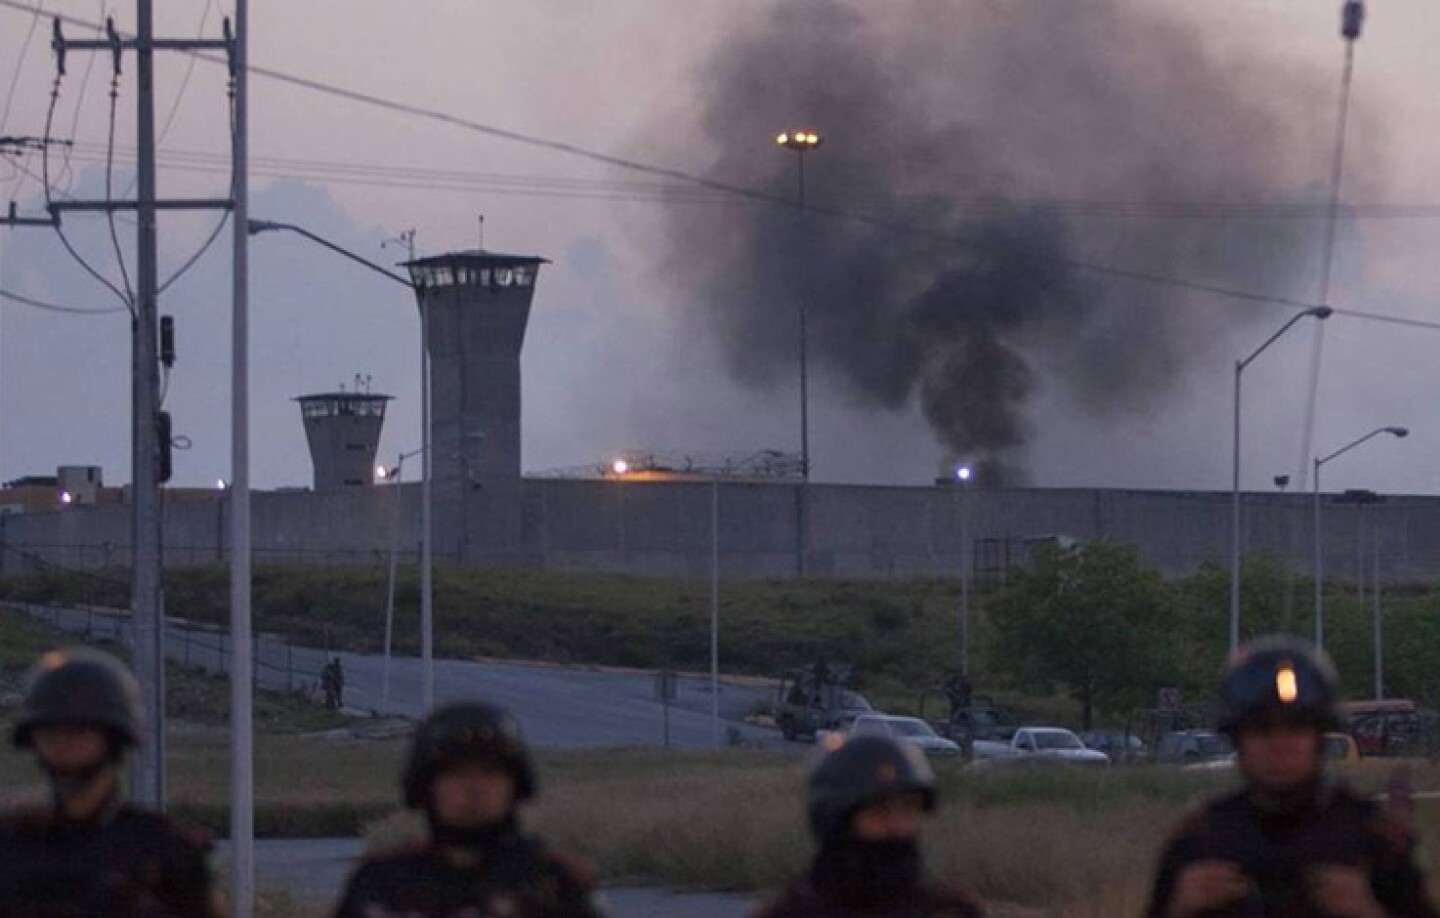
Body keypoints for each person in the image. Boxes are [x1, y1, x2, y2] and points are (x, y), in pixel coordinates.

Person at [1146, 636, 1438, 918]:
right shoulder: (1201, 840)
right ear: (1238, 738)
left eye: (1296, 728)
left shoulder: (1372, 840)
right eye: (1262, 730)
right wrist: (1180, 908)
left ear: (1320, 736)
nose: (1280, 746)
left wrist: (1367, 910)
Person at [0, 647, 221, 917]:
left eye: (78, 729)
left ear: (113, 737)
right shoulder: (13, 846)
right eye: (49, 729)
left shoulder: (165, 854)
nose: (61, 742)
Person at [333, 700, 607, 917]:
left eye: (490, 773)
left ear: (515, 784)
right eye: (454, 774)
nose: (473, 788)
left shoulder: (554, 884)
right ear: (425, 785)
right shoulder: (381, 885)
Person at [752, 734, 984, 917]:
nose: (897, 825)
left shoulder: (950, 909)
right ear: (837, 822)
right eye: (878, 812)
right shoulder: (790, 912)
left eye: (908, 809)